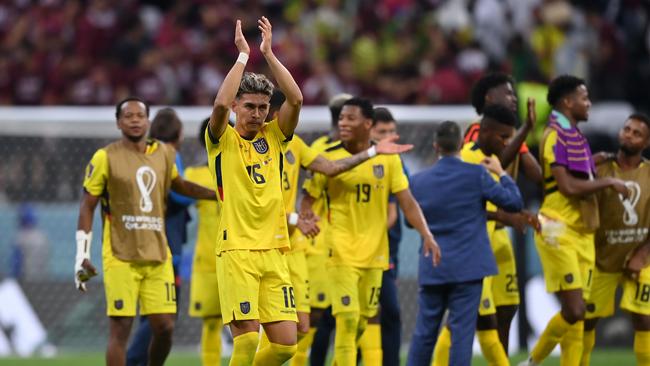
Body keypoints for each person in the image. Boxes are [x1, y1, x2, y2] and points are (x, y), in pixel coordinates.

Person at [74, 97, 217, 366]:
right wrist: (81, 254)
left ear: (148, 121)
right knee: (120, 330)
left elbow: (181, 185)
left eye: (140, 115)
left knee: (165, 327)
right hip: (121, 256)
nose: (135, 120)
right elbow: (87, 205)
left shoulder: (164, 153)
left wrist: (217, 195)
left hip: (157, 254)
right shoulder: (105, 157)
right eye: (128, 116)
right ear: (118, 122)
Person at [302, 97, 441, 365]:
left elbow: (407, 201)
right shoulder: (327, 156)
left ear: (367, 124)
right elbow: (309, 196)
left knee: (362, 322)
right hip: (339, 251)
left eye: (350, 118)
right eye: (341, 118)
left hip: (375, 254)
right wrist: (306, 213)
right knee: (348, 318)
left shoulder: (389, 160)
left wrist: (427, 234)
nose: (343, 123)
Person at [519, 75, 629, 366]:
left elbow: (577, 173)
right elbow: (566, 187)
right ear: (567, 102)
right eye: (584, 97)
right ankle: (531, 362)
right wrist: (607, 184)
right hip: (558, 228)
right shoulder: (554, 135)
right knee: (575, 309)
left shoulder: (574, 135)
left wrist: (595, 161)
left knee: (581, 315)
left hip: (582, 231)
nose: (589, 102)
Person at [407, 120, 523, 366]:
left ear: (436, 146)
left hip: (433, 265)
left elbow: (410, 222)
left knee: (424, 332)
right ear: (461, 144)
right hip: (468, 268)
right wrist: (502, 173)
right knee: (462, 334)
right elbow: (513, 202)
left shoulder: (418, 181)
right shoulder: (477, 174)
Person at [433, 103, 532, 366]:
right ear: (484, 131)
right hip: (465, 253)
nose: (506, 142)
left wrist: (508, 216)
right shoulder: (466, 159)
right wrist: (504, 216)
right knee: (469, 324)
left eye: (510, 137)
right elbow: (459, 209)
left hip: (479, 251)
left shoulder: (491, 160)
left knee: (482, 324)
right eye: (503, 137)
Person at [126, 108, 194, 366]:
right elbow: (178, 193)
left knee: (154, 311)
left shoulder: (147, 152)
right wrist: (200, 193)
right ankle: (134, 359)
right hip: (166, 244)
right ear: (177, 132)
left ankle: (139, 360)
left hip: (148, 240)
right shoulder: (169, 154)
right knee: (166, 314)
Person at [583, 114, 650, 365]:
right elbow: (568, 183)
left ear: (646, 142)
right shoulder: (600, 167)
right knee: (586, 320)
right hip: (603, 259)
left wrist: (643, 254)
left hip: (639, 257)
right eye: (627, 129)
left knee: (644, 319)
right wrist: (589, 162)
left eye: (637, 133)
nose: (629, 135)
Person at [307, 93, 353, 366]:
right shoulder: (324, 150)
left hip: (329, 242)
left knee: (339, 316)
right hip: (327, 242)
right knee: (326, 315)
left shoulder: (319, 146)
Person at [185, 118, 225, 366]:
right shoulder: (194, 174)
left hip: (244, 256)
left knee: (253, 323)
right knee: (211, 321)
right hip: (210, 259)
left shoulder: (248, 166)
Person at [369, 107, 405, 366]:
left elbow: (403, 202)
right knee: (378, 313)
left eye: (393, 131)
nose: (390, 136)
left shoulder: (395, 161)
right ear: (369, 131)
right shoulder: (361, 159)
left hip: (387, 248)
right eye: (383, 132)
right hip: (360, 250)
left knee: (386, 313)